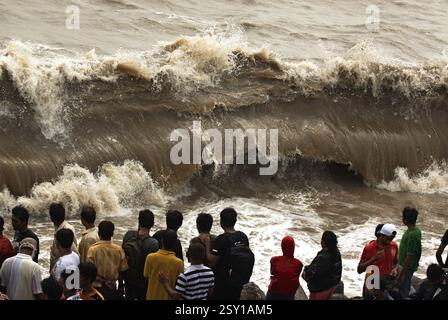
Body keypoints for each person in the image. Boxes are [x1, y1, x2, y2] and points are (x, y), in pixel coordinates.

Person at [201, 208, 253, 300]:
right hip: (239, 282)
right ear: (235, 221)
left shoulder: (221, 239)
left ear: (222, 222)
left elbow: (211, 261)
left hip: (223, 284)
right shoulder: (243, 236)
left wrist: (207, 243)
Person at [122, 209, 159, 300]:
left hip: (128, 279)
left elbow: (122, 257)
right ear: (152, 224)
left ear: (139, 221)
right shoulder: (153, 243)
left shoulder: (128, 235)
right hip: (142, 283)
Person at [86, 220, 128, 300]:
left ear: (99, 233)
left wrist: (103, 281)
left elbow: (89, 271)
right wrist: (120, 286)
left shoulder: (92, 250)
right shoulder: (119, 250)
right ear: (112, 234)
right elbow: (122, 270)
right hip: (112, 288)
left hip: (96, 289)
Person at [357, 224, 399, 298]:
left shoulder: (394, 246)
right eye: (388, 239)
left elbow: (396, 262)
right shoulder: (369, 248)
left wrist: (395, 269)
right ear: (381, 236)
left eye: (392, 238)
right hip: (372, 284)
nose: (390, 241)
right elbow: (359, 270)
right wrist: (374, 258)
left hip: (386, 284)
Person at [143, 230, 184, 300]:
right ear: (175, 244)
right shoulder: (179, 263)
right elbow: (179, 284)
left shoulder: (150, 257)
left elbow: (146, 276)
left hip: (151, 297)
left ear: (162, 241)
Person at [302, 231, 342, 300]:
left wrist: (305, 270)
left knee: (305, 274)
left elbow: (311, 273)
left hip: (320, 290)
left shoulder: (323, 257)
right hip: (332, 286)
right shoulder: (336, 252)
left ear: (323, 242)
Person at [266, 235, 303, 300]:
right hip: (288, 295)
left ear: (282, 247)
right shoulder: (298, 264)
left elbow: (272, 272)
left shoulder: (274, 260)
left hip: (273, 293)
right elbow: (297, 275)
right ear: (293, 247)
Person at [398, 207, 422, 299]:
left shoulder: (412, 234)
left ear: (405, 220)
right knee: (404, 286)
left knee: (404, 289)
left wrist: (402, 274)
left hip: (406, 266)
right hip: (407, 265)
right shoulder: (416, 230)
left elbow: (409, 255)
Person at [49, 203, 78, 272]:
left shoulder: (66, 231)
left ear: (52, 217)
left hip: (64, 271)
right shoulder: (61, 227)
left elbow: (72, 251)